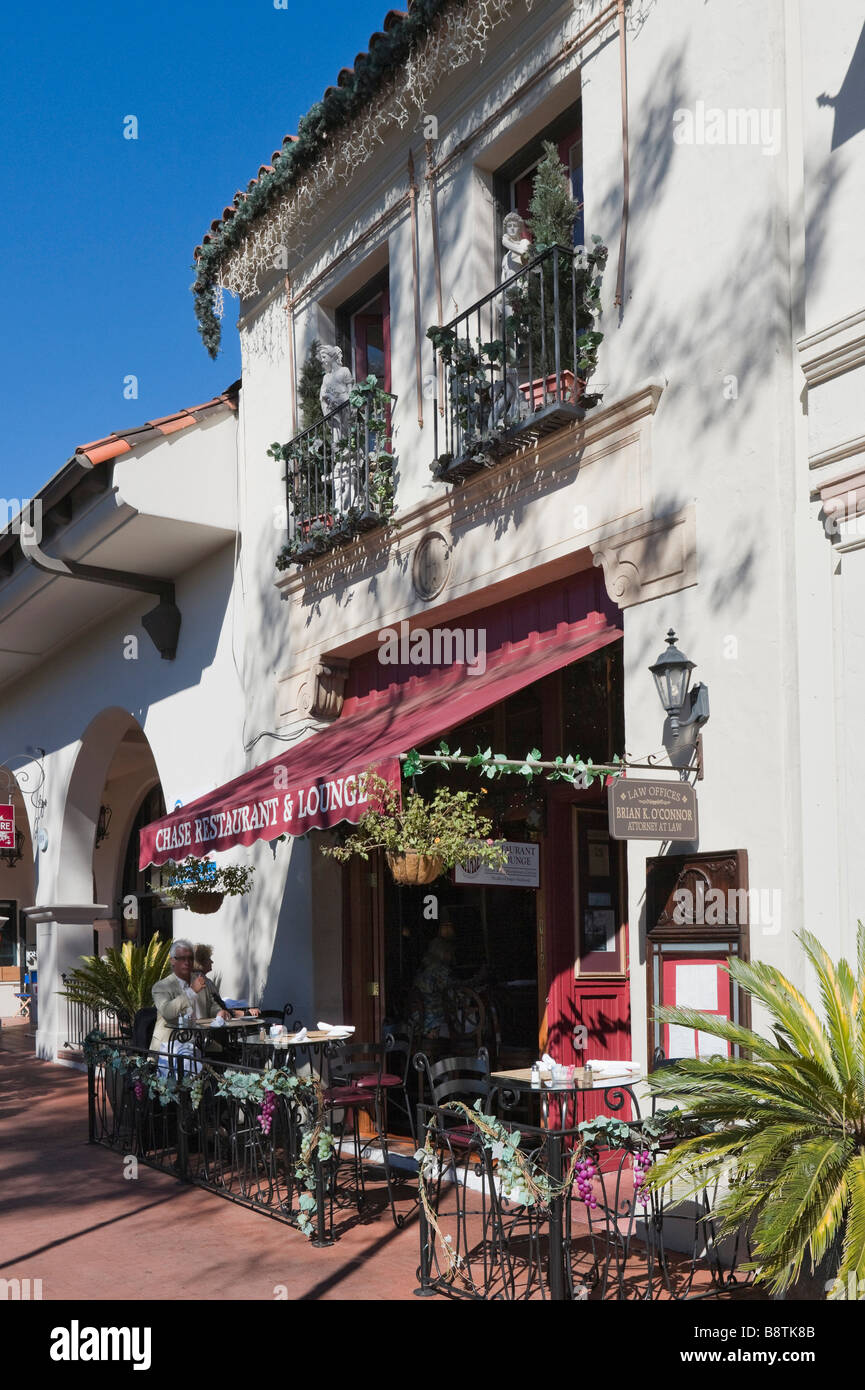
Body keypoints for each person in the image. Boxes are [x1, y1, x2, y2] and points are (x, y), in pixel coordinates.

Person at [150, 938, 230, 1067]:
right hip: (170, 1047)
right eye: (182, 958)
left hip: (200, 1044)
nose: (187, 962)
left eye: (190, 958)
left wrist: (219, 1012)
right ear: (172, 961)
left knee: (230, 1056)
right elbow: (168, 1012)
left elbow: (212, 1005)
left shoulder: (201, 981)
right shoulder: (161, 987)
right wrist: (191, 991)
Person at [192, 944, 259, 1018]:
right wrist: (246, 1013)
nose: (212, 962)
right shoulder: (206, 982)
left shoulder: (187, 981)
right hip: (204, 1024)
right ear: (202, 962)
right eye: (209, 959)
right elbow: (220, 1009)